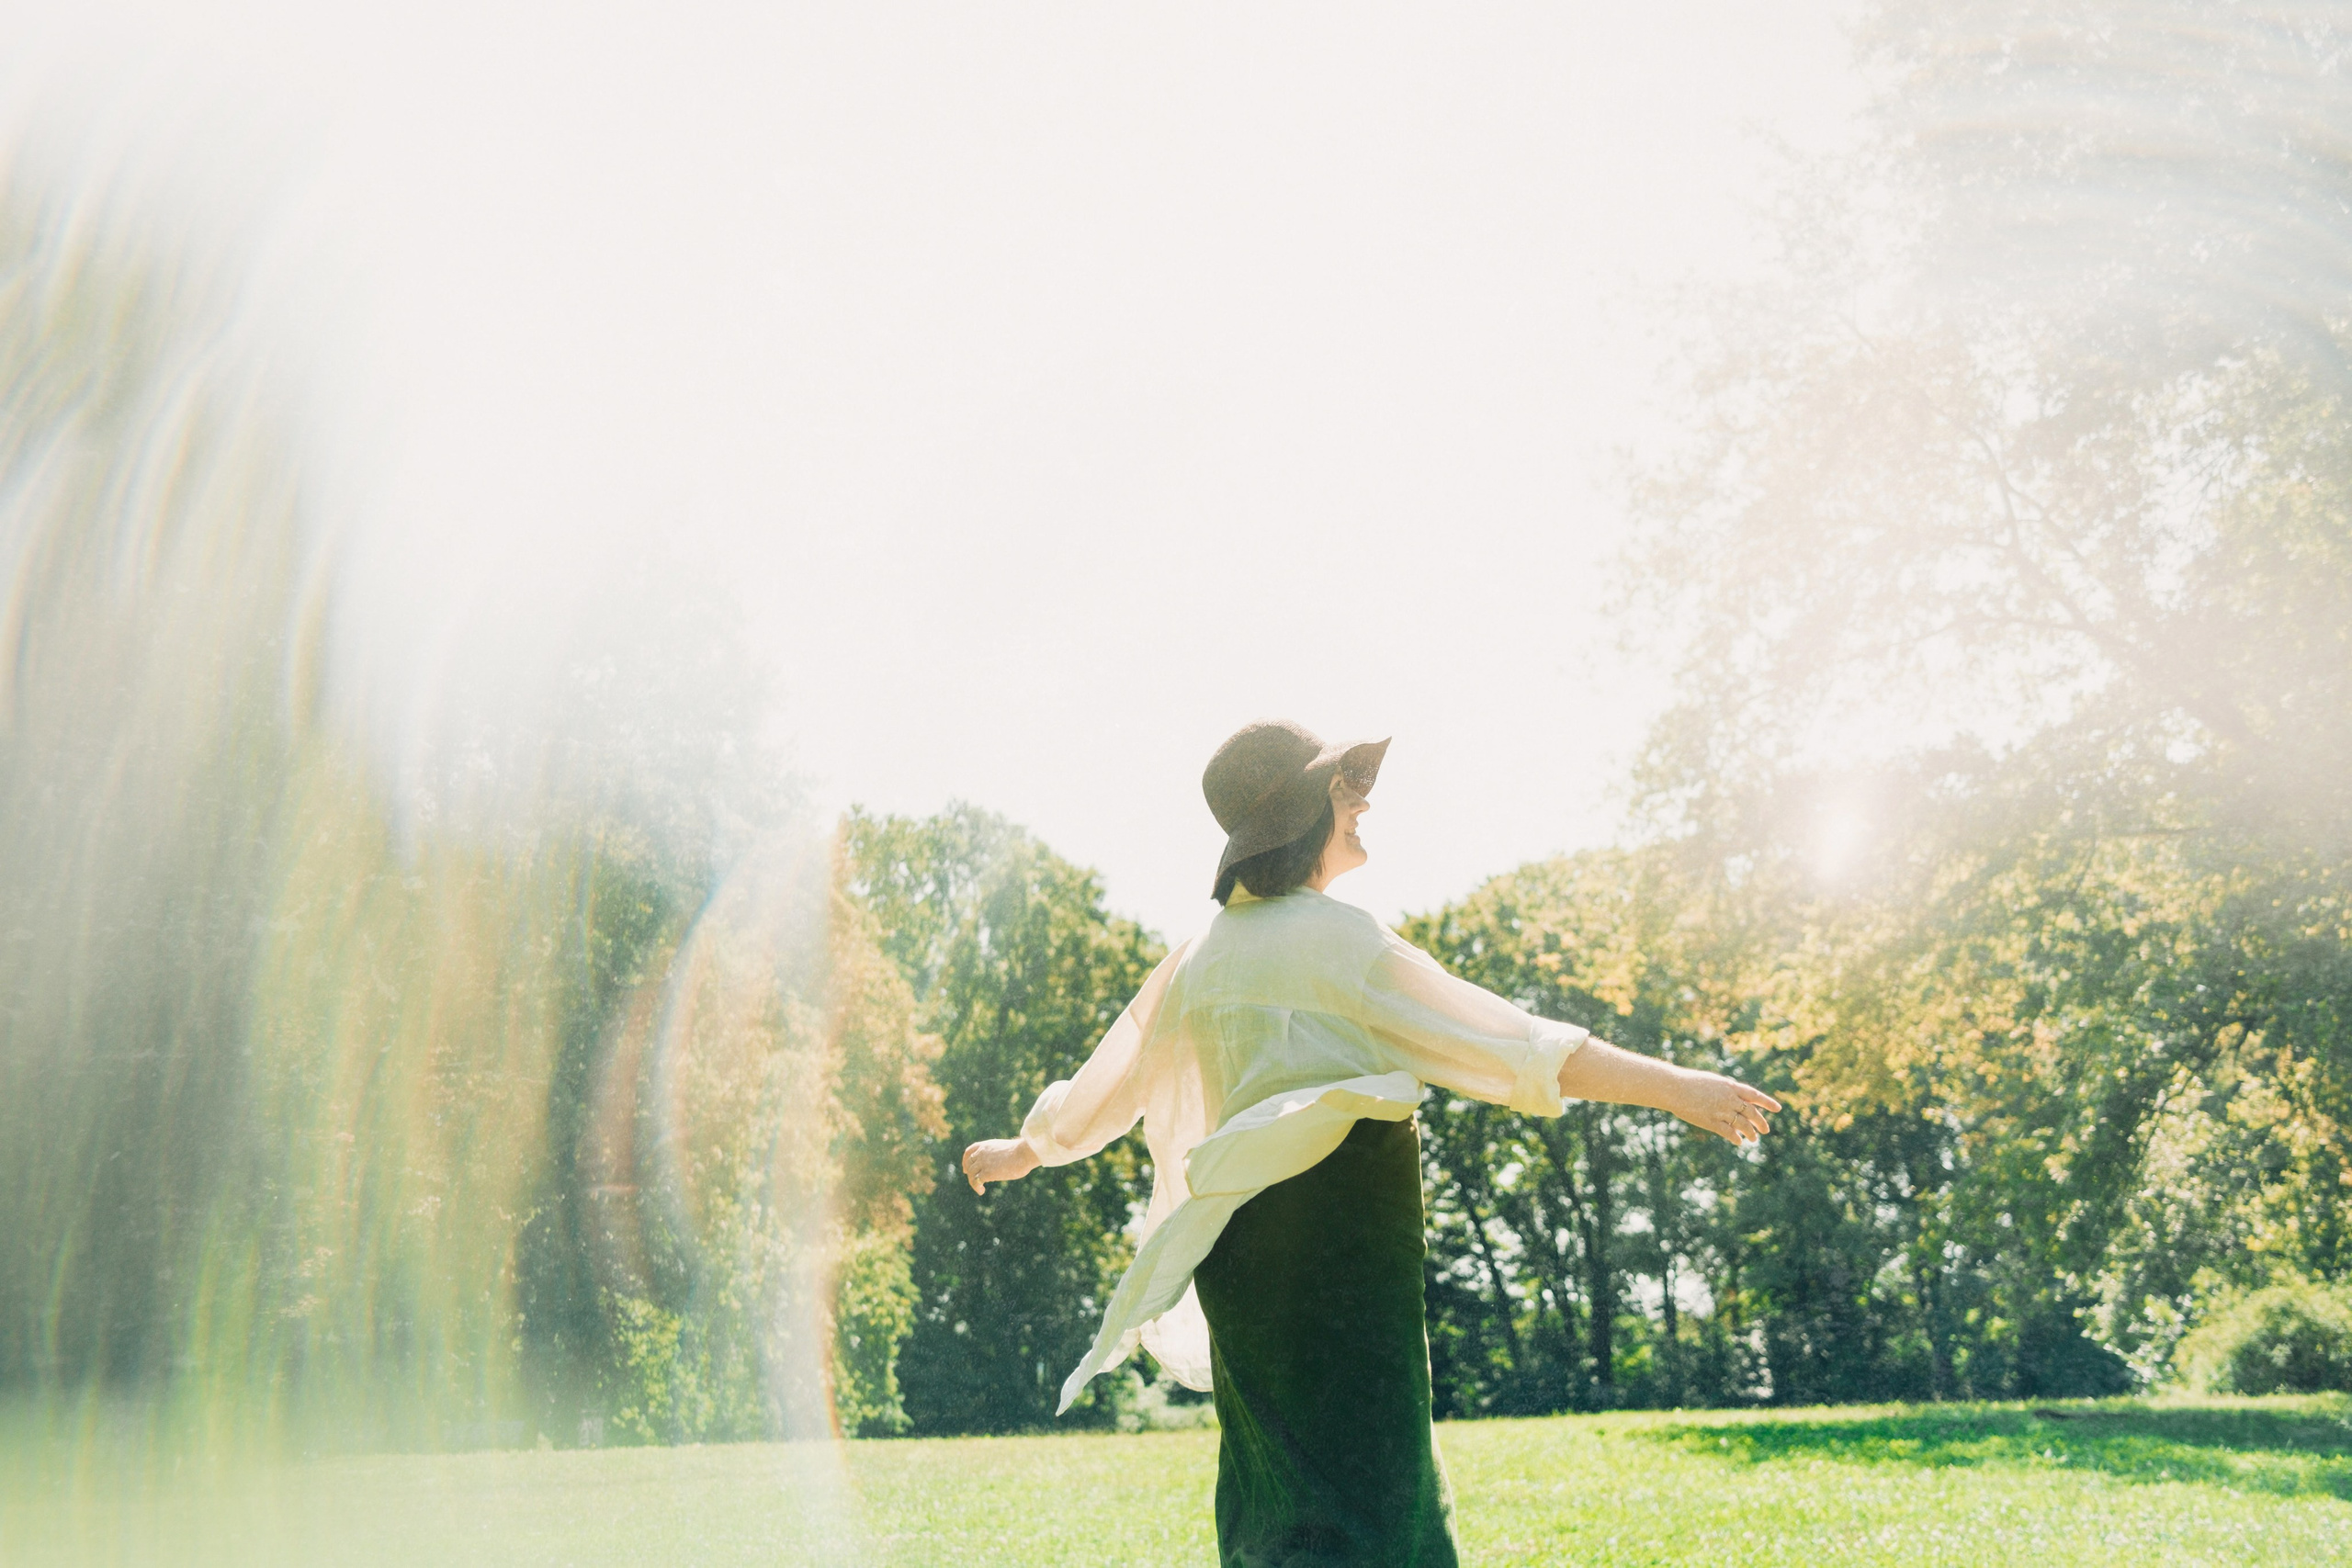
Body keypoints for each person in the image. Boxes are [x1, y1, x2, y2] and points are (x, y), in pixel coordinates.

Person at [961, 719, 1781, 1567]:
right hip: (1343, 1246)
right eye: (1342, 786)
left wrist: (1024, 1150)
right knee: (1382, 1501)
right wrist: (1678, 1086)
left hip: (1236, 1259)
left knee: (1276, 1502)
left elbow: (1104, 1092)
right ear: (1299, 817)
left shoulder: (1193, 961)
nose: (1362, 799)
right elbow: (1516, 1043)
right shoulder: (1337, 939)